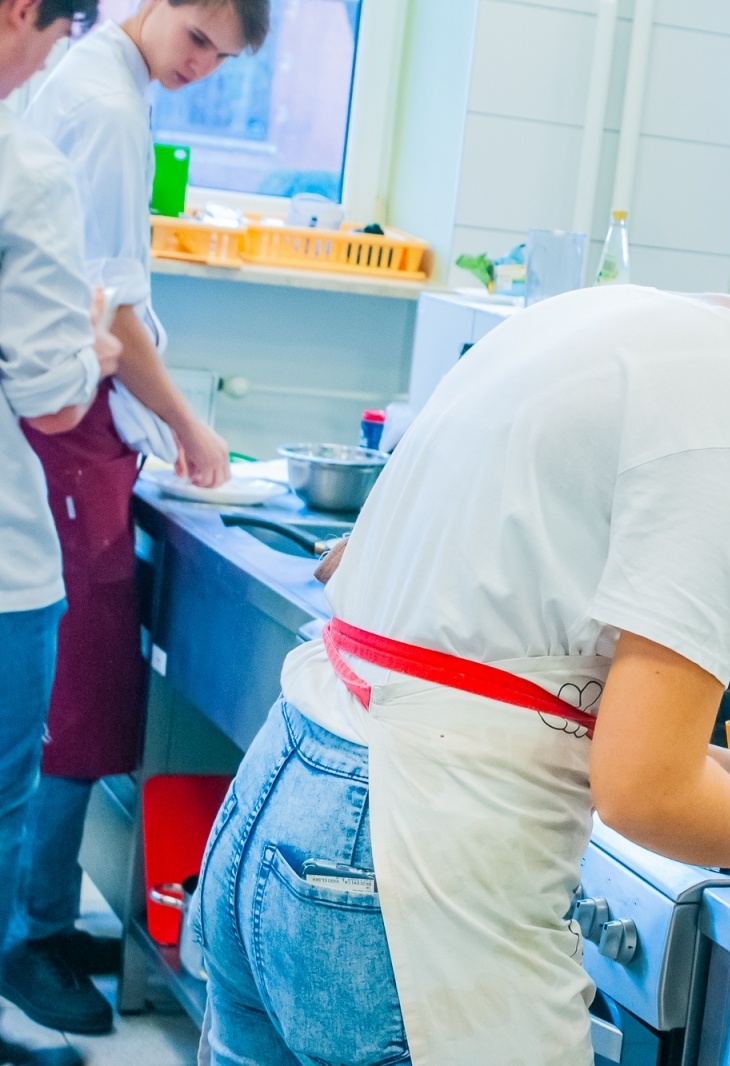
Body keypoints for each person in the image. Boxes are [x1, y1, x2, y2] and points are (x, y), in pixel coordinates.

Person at [194, 171, 730, 1065]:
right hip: (409, 864)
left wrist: (723, 775)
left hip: (288, 797)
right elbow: (643, 789)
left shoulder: (640, 322)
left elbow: (486, 653)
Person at [2, 0, 268, 1038]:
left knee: (83, 683)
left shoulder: (105, 90)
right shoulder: (101, 105)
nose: (202, 66)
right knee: (67, 686)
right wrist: (191, 428)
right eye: (199, 37)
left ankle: (38, 914)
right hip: (67, 434)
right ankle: (27, 934)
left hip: (85, 429)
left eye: (223, 57)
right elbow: (104, 316)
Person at [0, 0, 122, 1059]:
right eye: (53, 38)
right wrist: (92, 349)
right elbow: (47, 399)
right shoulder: (24, 168)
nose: (48, 65)